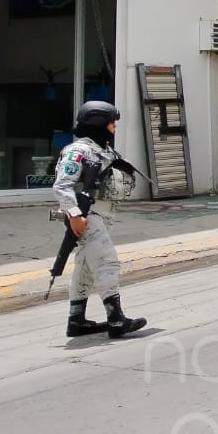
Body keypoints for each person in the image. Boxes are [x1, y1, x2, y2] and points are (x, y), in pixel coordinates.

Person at [53, 100, 147, 338]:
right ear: (97, 123)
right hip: (88, 215)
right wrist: (74, 215)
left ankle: (77, 319)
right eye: (111, 122)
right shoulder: (79, 151)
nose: (114, 127)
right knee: (107, 262)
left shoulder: (103, 149)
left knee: (85, 267)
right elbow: (63, 185)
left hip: (104, 214)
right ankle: (116, 319)